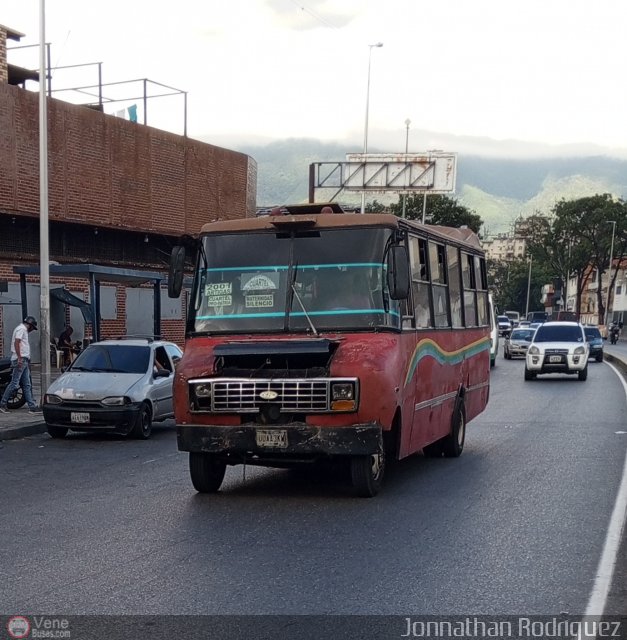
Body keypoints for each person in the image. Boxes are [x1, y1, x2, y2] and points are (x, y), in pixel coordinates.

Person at [0, 316, 42, 414]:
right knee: (14, 383)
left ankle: (32, 407)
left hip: (24, 359)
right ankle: (2, 403)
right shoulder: (21, 329)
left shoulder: (22, 330)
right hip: (20, 359)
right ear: (30, 325)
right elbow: (17, 342)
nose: (32, 330)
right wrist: (19, 357)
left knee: (27, 384)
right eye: (32, 328)